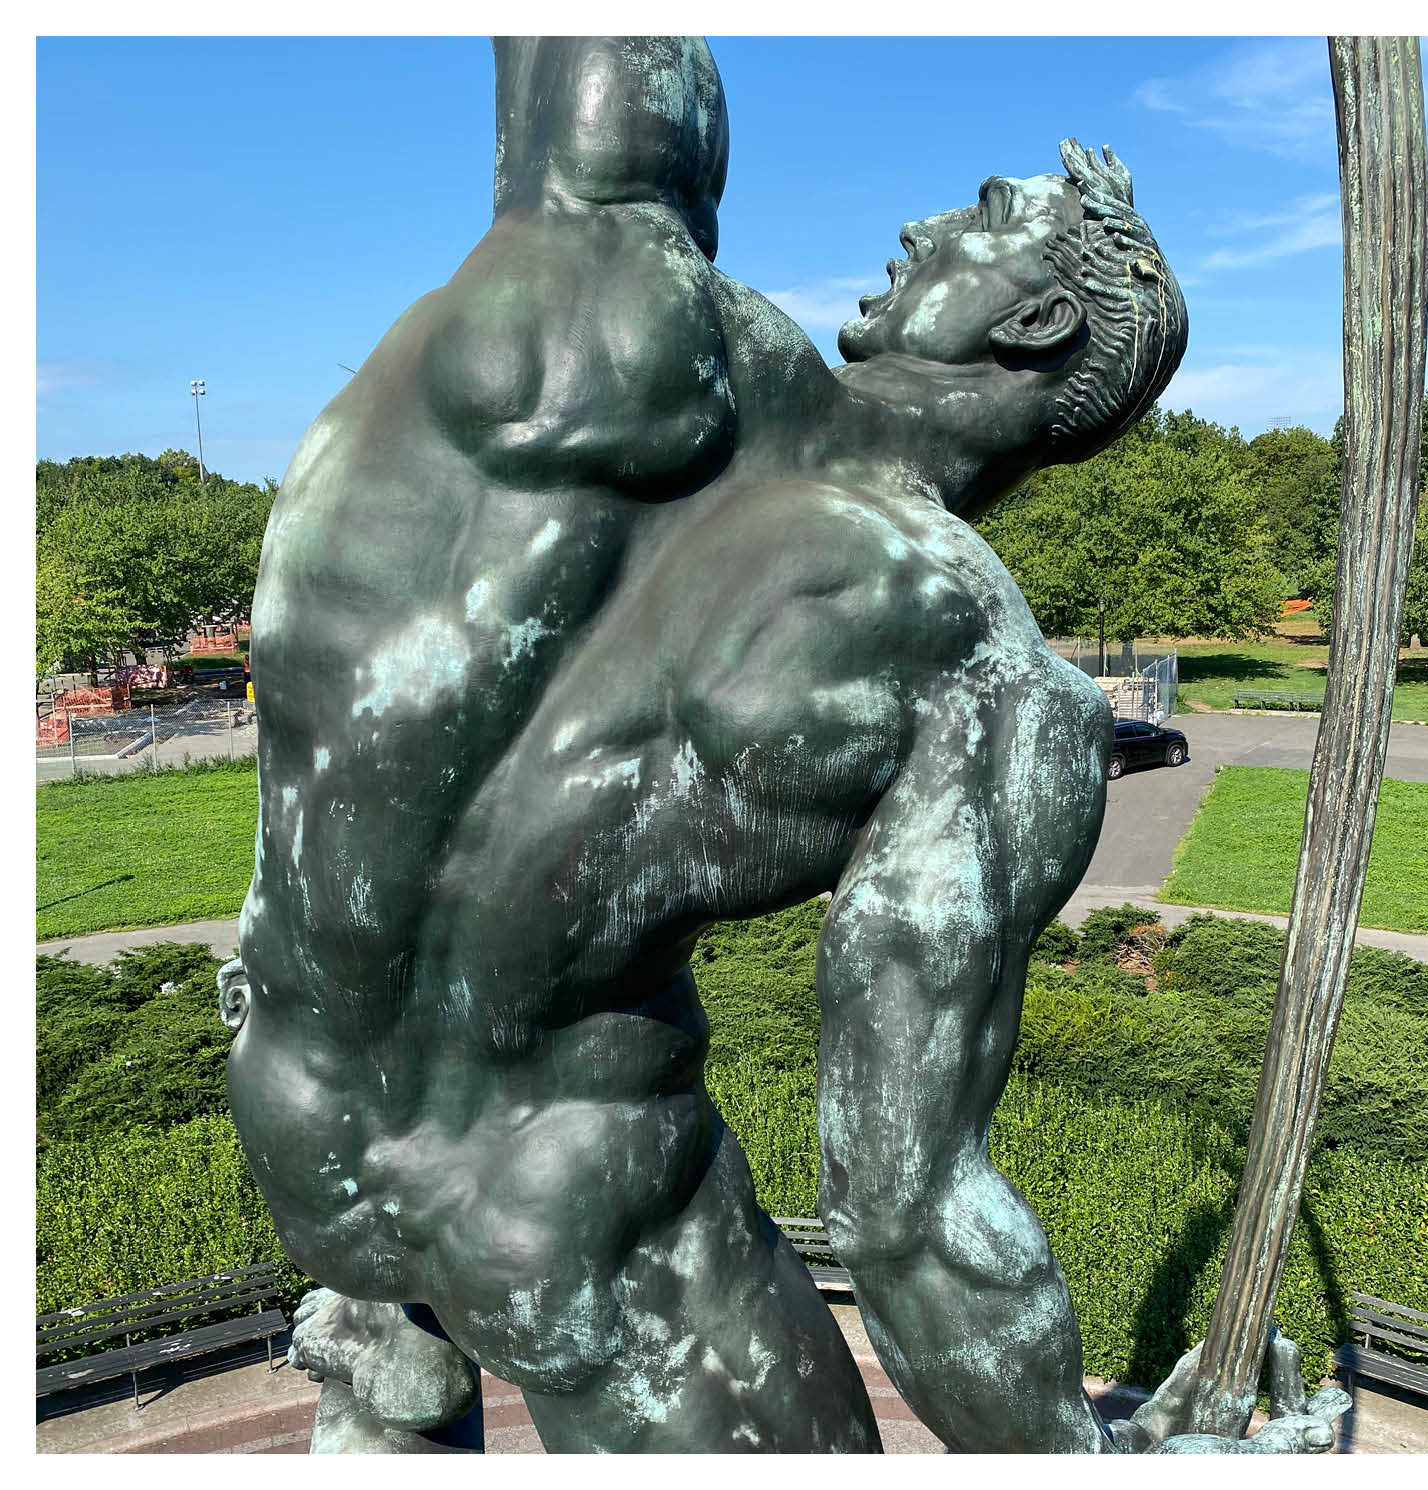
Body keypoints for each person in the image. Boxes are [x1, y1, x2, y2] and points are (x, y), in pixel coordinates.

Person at [223, 36, 1336, 1452]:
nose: (926, 222)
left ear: (1046, 319)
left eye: (986, 216)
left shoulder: (608, 274)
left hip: (299, 1107)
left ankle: (391, 1372)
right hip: (570, 1211)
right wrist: (1100, 1452)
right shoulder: (991, 688)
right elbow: (907, 1213)